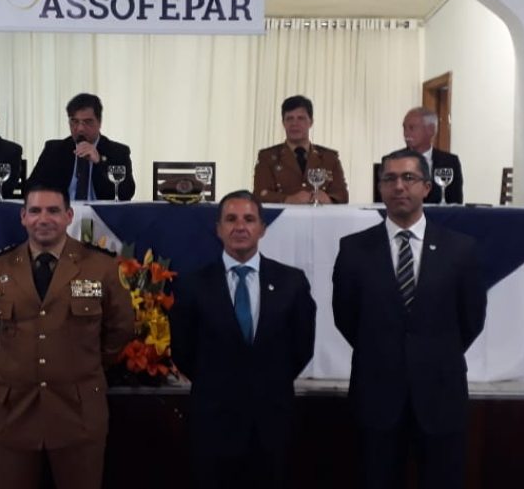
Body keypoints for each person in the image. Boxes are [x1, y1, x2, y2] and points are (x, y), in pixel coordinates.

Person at [332, 149, 486, 489]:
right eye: (389, 179)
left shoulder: (460, 249)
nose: (398, 186)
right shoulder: (354, 250)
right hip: (377, 396)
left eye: (408, 178)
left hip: (440, 395)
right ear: (380, 188)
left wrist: (431, 353)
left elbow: (471, 318)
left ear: (427, 187)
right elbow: (346, 316)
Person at [0, 183, 134, 489]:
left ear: (69, 216)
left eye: (53, 211)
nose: (43, 219)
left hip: (78, 413)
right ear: (23, 217)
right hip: (14, 413)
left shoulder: (101, 266)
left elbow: (121, 328)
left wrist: (80, 364)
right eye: (35, 211)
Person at [171, 190, 316, 489]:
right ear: (218, 229)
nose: (240, 227)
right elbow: (183, 350)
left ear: (262, 228)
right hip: (213, 422)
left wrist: (267, 381)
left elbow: (302, 347)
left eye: (249, 219)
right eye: (231, 219)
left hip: (272, 422)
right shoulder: (192, 284)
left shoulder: (291, 282)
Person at [28, 93, 135, 201]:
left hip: (100, 211)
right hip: (64, 210)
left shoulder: (117, 152)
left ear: (99, 122)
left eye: (87, 122)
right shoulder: (54, 150)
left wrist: (99, 162)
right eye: (74, 121)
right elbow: (30, 187)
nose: (80, 128)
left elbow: (126, 194)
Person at [253, 95, 349, 204]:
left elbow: (342, 195)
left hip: (321, 214)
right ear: (283, 123)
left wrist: (328, 199)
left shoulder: (329, 158)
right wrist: (287, 199)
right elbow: (259, 194)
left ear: (311, 122)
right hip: (284, 215)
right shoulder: (267, 157)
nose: (294, 124)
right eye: (289, 119)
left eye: (301, 118)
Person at [402, 106, 463, 204]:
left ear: (431, 130)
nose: (406, 133)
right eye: (404, 128)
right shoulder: (393, 161)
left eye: (412, 128)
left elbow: (455, 203)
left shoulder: (450, 162)